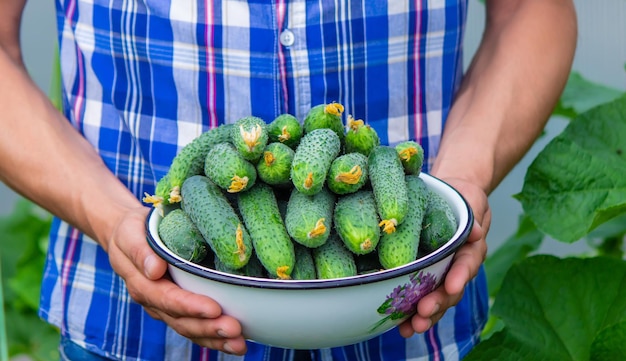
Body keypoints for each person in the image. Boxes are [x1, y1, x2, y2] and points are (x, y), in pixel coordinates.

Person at [0, 0, 576, 360]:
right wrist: (109, 217)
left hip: (413, 310)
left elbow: (533, 9)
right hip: (132, 325)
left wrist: (461, 180)